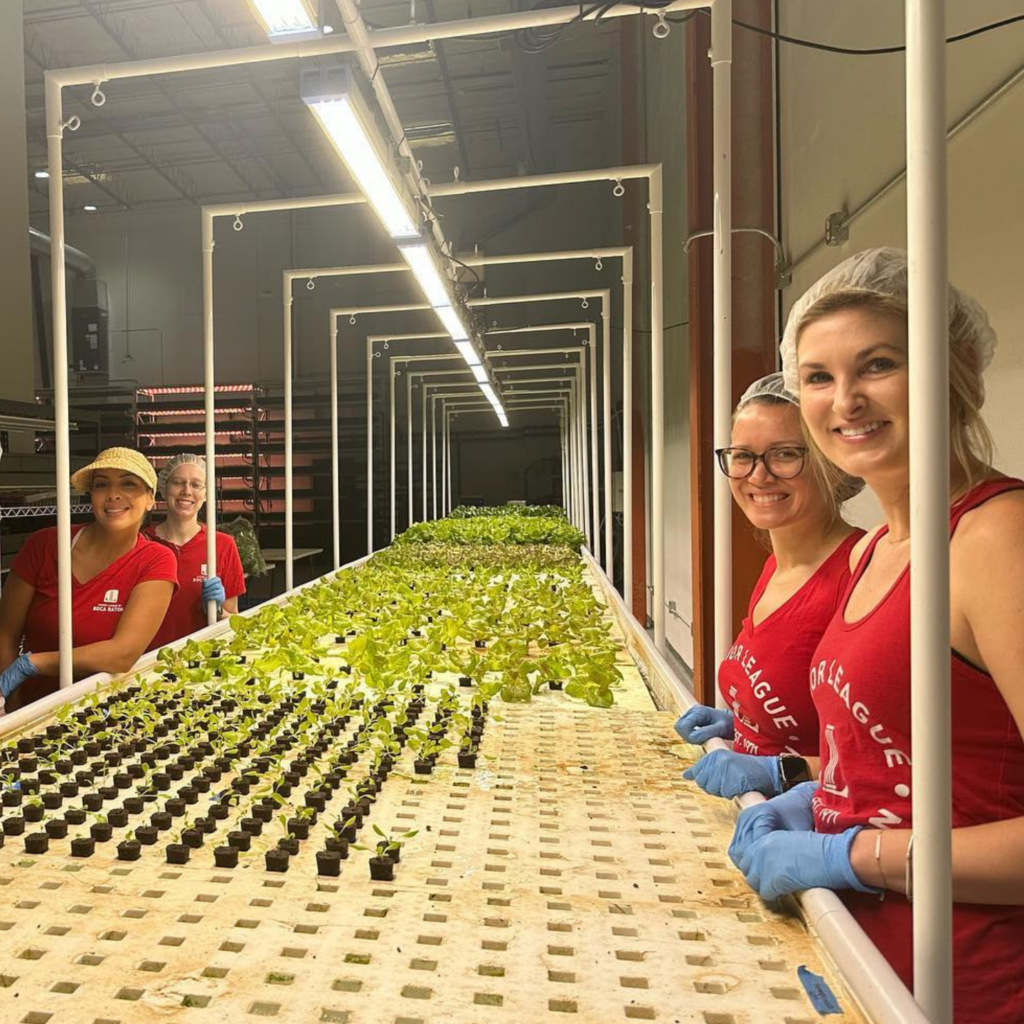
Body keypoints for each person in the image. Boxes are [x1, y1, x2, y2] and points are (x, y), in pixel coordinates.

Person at [728, 248, 1024, 1021]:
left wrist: (857, 853)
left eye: (879, 365)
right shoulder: (871, 551)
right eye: (819, 378)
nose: (845, 401)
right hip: (863, 967)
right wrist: (816, 798)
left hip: (974, 985)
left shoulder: (994, 540)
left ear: (954, 368)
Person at [677, 374, 864, 799]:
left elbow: (901, 762)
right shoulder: (774, 568)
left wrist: (783, 769)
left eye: (785, 454)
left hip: (816, 831)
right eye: (742, 456)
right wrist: (742, 725)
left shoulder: (857, 578)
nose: (758, 476)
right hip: (757, 816)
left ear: (833, 463)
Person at [0, 447, 177, 714]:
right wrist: (12, 706)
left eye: (128, 484)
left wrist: (32, 664)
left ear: (151, 499)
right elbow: (6, 634)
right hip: (34, 711)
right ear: (91, 496)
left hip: (109, 715)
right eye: (102, 484)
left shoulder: (156, 560)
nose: (113, 494)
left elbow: (122, 653)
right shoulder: (45, 545)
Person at [144, 453, 245, 650]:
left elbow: (234, 620)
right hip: (147, 660)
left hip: (201, 660)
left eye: (196, 484)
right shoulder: (143, 543)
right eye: (178, 482)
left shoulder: (222, 545)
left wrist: (217, 612)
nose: (186, 491)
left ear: (206, 494)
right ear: (164, 488)